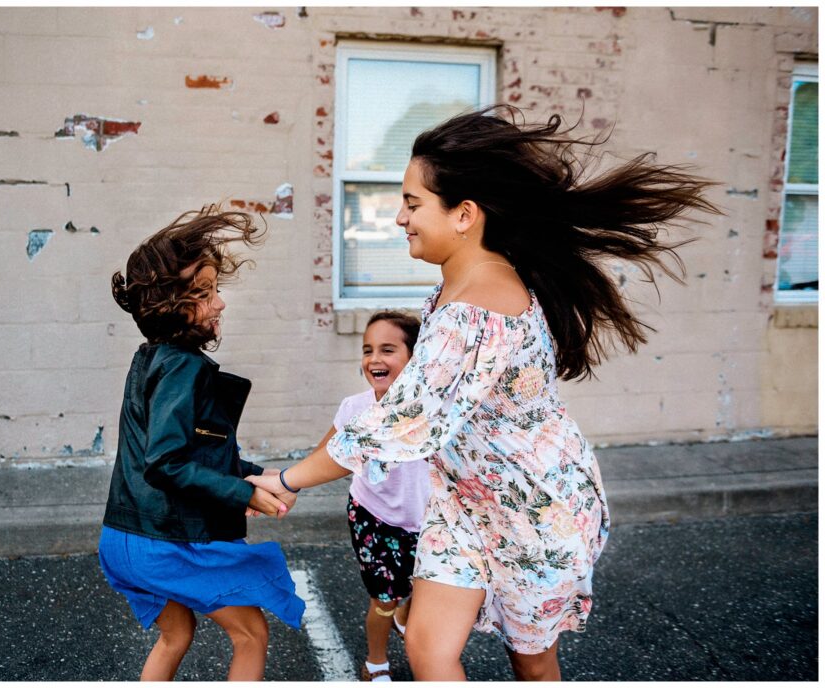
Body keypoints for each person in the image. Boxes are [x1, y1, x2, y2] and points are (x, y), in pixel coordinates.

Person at [247, 106, 720, 681]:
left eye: (413, 203)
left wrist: (287, 479)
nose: (400, 217)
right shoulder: (462, 284)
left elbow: (398, 423)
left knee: (533, 662)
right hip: (462, 503)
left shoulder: (476, 306)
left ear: (464, 214)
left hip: (534, 507)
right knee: (427, 647)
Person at [98, 205, 305, 681]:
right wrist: (244, 492)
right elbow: (165, 463)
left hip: (123, 535)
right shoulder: (183, 367)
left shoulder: (151, 358)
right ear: (173, 305)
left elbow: (192, 455)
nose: (220, 303)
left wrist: (251, 475)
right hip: (158, 542)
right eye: (206, 293)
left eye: (216, 290)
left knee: (176, 633)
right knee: (250, 632)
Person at [314, 311, 430, 682]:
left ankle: (404, 614)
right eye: (368, 350)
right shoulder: (355, 408)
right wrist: (283, 483)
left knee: (423, 593)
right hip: (373, 516)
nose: (374, 359)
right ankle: (376, 662)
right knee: (384, 599)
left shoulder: (433, 409)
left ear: (414, 357)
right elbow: (326, 456)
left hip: (428, 521)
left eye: (387, 349)